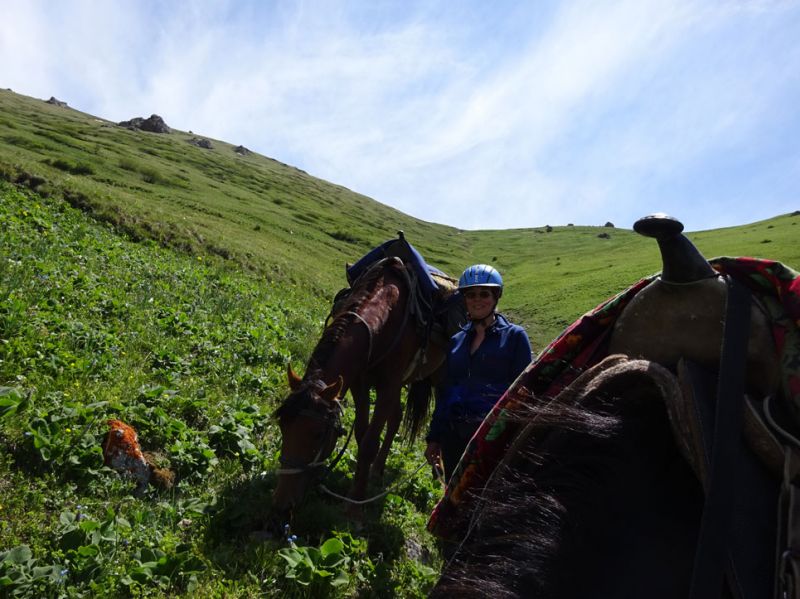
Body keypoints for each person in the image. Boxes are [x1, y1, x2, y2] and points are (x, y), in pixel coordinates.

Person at [424, 264, 532, 481]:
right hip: (455, 436)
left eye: (484, 294)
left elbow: (526, 392)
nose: (477, 299)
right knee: (454, 497)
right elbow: (445, 393)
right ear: (464, 299)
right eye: (471, 294)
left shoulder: (514, 338)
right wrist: (434, 438)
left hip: (495, 438)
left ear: (495, 297)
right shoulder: (456, 342)